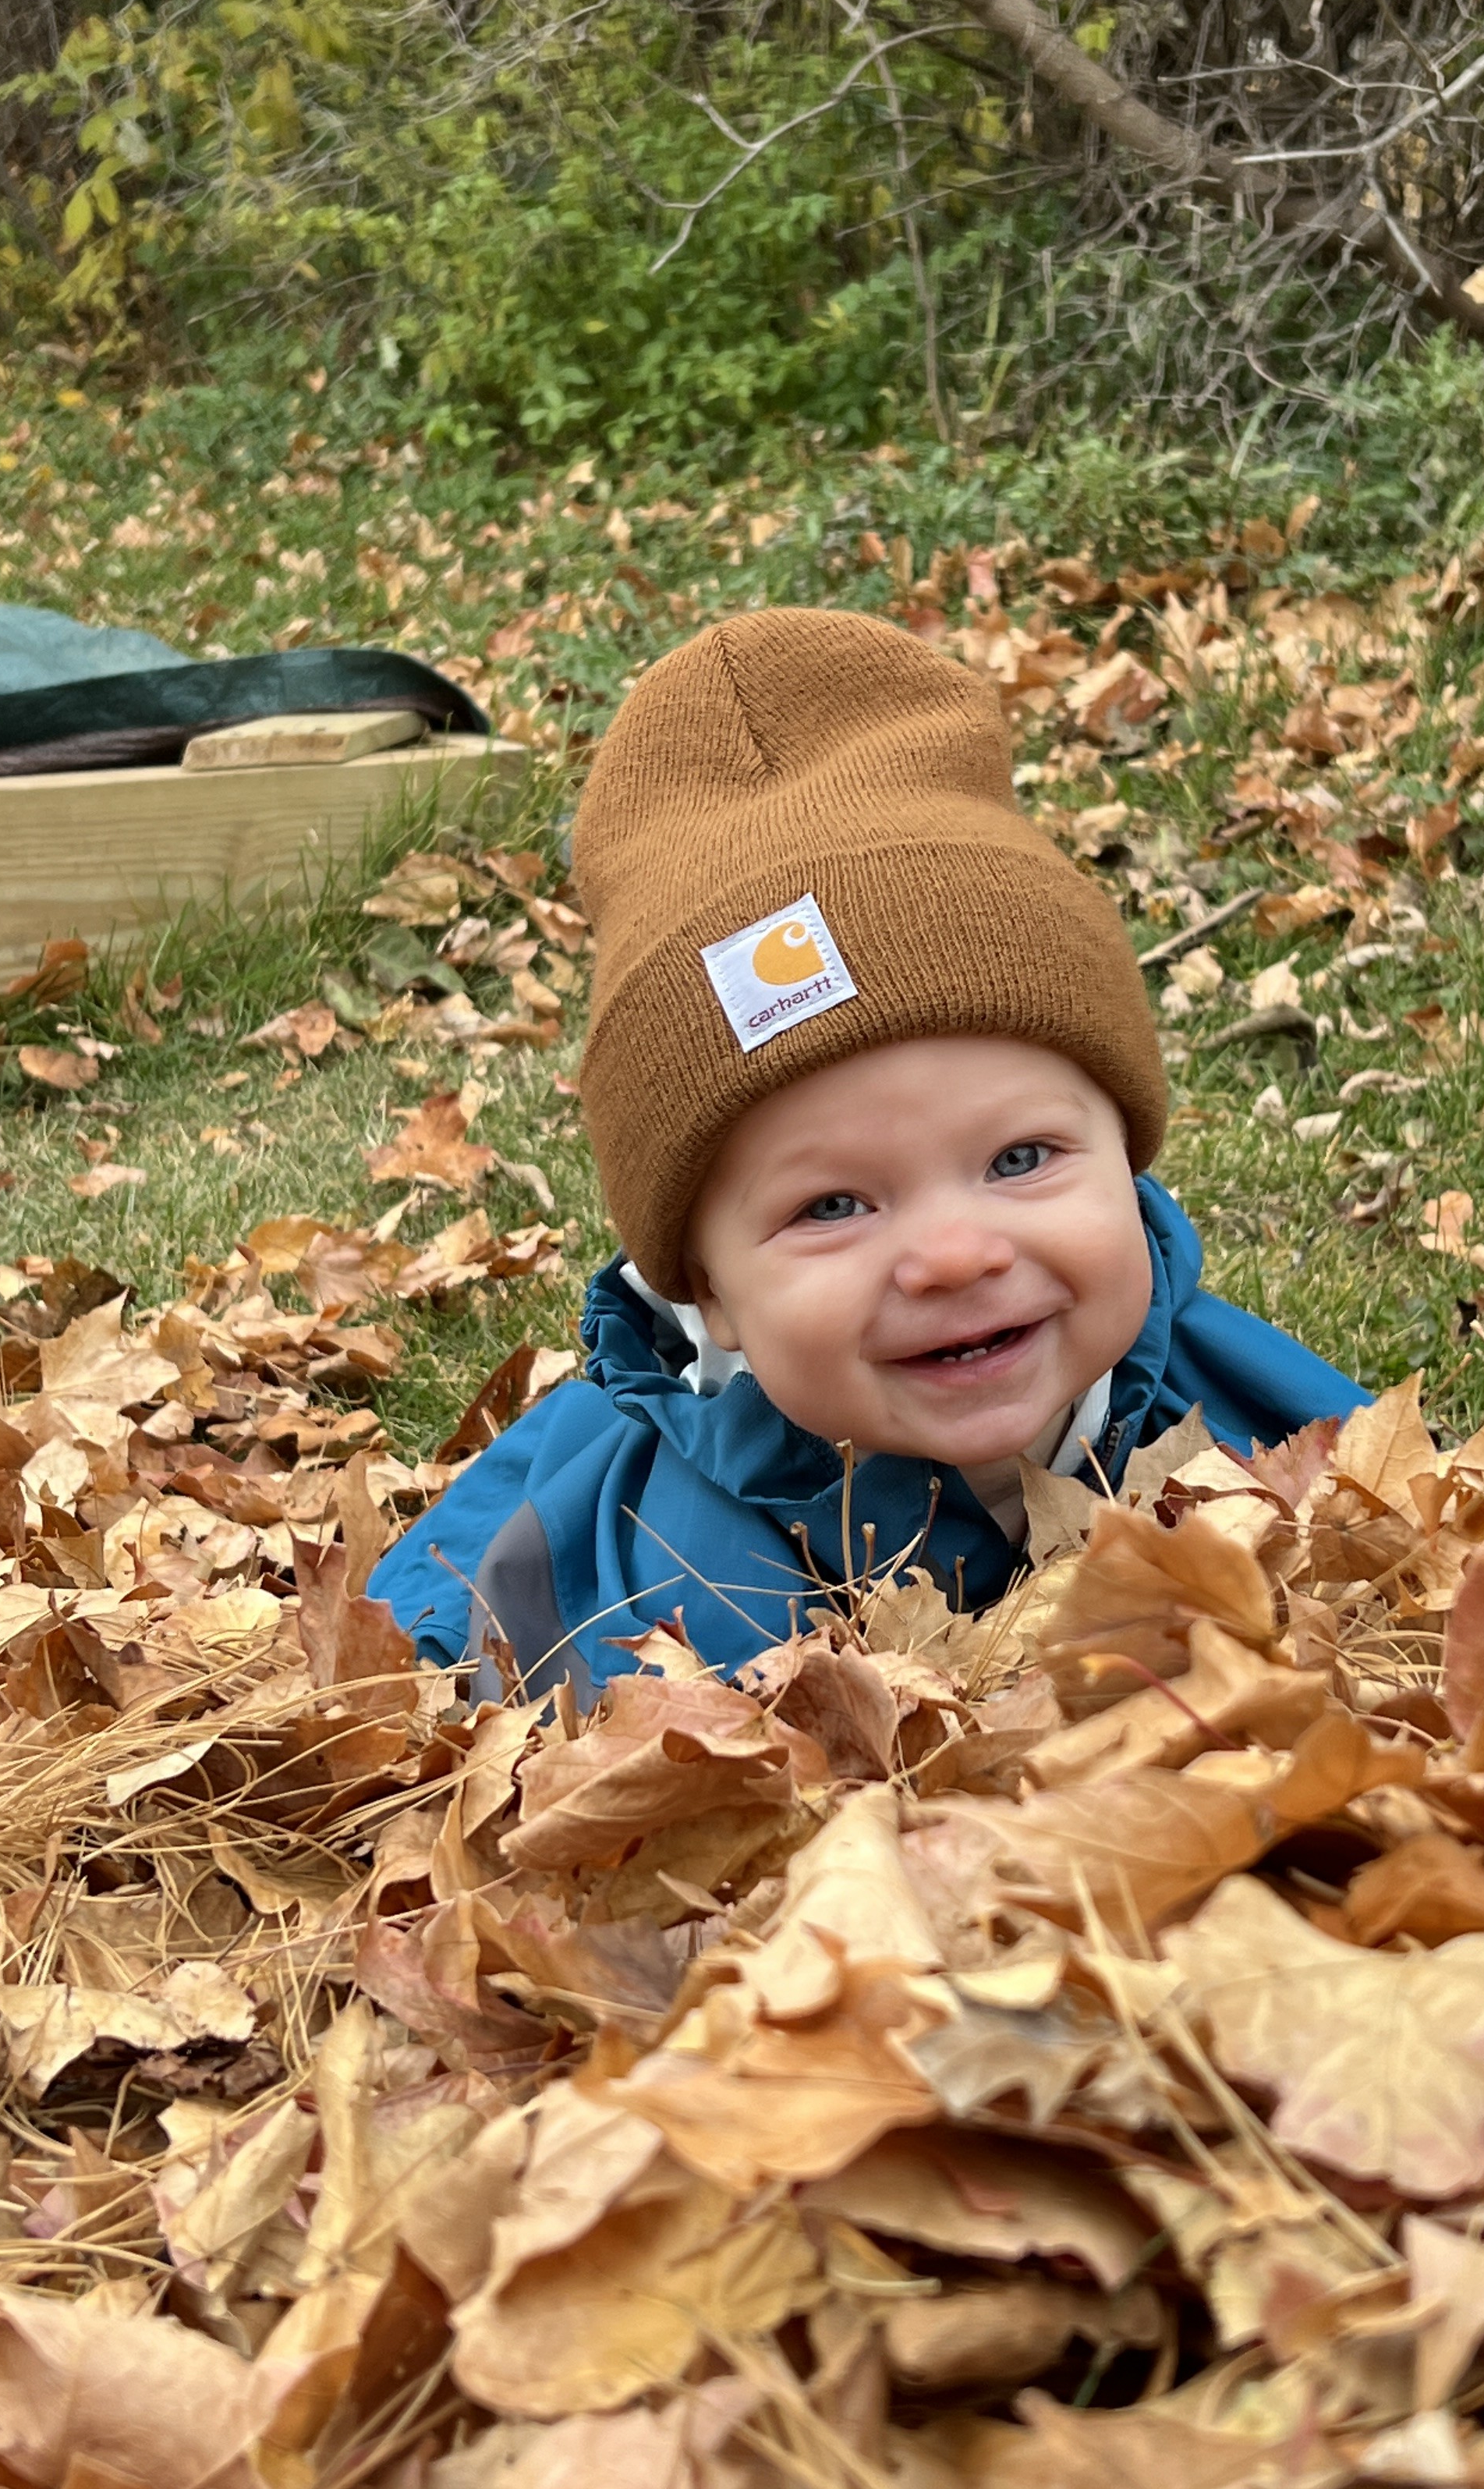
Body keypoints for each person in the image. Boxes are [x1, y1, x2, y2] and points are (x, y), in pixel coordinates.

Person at [370, 607, 1365, 1696]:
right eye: (834, 1206)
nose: (953, 1256)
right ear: (711, 1296)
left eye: (1021, 1159)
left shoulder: (1239, 1414)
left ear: (1125, 1155)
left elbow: (1408, 1550)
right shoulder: (688, 1596)